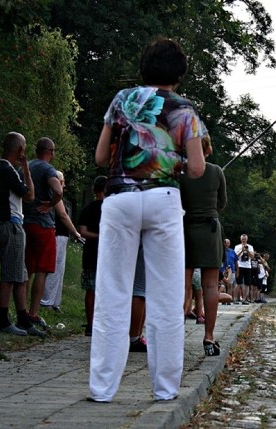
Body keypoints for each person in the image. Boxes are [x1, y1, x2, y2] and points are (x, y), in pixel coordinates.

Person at [88, 37, 206, 403]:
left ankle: (102, 388)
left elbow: (99, 156)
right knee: (167, 296)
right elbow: (198, 169)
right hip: (163, 201)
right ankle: (166, 389)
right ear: (180, 73)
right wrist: (178, 162)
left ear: (144, 67)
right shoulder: (185, 109)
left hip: (120, 198)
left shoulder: (122, 100)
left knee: (112, 292)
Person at [0, 132, 41, 336]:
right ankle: (3, 320)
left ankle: (24, 319)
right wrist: (26, 169)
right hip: (10, 224)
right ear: (19, 150)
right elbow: (30, 195)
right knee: (10, 274)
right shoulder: (6, 170)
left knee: (20, 274)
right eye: (23, 148)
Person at [180, 133, 226, 355]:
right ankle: (209, 337)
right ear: (207, 150)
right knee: (210, 286)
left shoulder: (181, 173)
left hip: (187, 228)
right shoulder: (216, 171)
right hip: (210, 230)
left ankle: (174, 334)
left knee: (184, 284)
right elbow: (222, 203)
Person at [23, 137, 63, 333]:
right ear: (51, 151)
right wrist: (51, 203)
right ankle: (33, 312)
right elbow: (58, 190)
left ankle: (21, 312)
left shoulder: (27, 166)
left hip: (25, 221)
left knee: (26, 268)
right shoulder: (48, 169)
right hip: (43, 225)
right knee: (41, 270)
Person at [40, 171, 82, 312]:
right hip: (57, 235)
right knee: (54, 269)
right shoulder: (54, 197)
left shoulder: (58, 198)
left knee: (60, 270)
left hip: (62, 237)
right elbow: (63, 216)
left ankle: (55, 302)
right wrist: (75, 232)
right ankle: (47, 301)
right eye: (61, 181)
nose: (63, 184)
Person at [77, 176, 107, 337]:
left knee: (91, 289)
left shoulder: (87, 209)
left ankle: (90, 324)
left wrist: (95, 236)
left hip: (90, 252)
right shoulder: (111, 209)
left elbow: (82, 231)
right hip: (108, 253)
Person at [234, 234, 254, 305]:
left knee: (247, 283)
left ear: (247, 239)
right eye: (242, 239)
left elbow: (252, 256)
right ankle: (235, 298)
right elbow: (235, 257)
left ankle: (244, 299)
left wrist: (247, 251)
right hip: (240, 266)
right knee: (238, 282)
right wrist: (242, 250)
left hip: (248, 266)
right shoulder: (237, 247)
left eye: (245, 239)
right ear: (241, 239)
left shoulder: (250, 247)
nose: (244, 240)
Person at [219, 239, 237, 303]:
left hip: (231, 270)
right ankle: (223, 300)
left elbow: (236, 261)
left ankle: (229, 300)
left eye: (228, 243)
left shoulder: (232, 252)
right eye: (225, 243)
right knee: (223, 285)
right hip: (222, 270)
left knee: (230, 285)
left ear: (229, 244)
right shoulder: (220, 251)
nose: (226, 244)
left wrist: (236, 270)